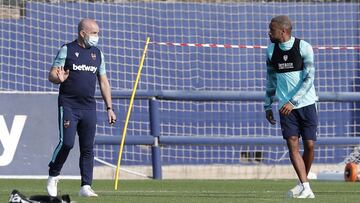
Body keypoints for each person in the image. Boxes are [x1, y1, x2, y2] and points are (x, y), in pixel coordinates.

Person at [47, 18, 116, 197]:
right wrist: (58, 79)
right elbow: (52, 75)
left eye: (98, 33)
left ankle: (85, 186)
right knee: (67, 143)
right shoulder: (67, 50)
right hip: (69, 104)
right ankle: (53, 175)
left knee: (88, 148)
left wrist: (109, 107)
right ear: (82, 33)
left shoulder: (98, 54)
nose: (97, 36)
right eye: (94, 33)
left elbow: (104, 82)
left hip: (88, 107)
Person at [264, 15, 318, 199]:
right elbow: (270, 80)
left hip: (306, 104)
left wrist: (293, 101)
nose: (269, 33)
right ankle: (306, 186)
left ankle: (301, 184)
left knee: (310, 145)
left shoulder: (304, 47)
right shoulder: (271, 51)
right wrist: (267, 105)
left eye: (271, 29)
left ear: (283, 31)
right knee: (292, 143)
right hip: (285, 108)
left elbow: (310, 78)